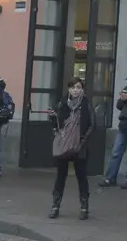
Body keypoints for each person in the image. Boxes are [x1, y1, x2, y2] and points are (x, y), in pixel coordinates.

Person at [48, 78, 94, 220]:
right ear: (69, 89)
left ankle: (84, 207)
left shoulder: (86, 104)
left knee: (81, 177)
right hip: (64, 144)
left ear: (82, 90)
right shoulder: (62, 103)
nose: (76, 90)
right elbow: (56, 123)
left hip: (80, 146)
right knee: (60, 176)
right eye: (73, 87)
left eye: (78, 87)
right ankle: (55, 206)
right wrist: (52, 118)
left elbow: (93, 125)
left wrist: (83, 141)